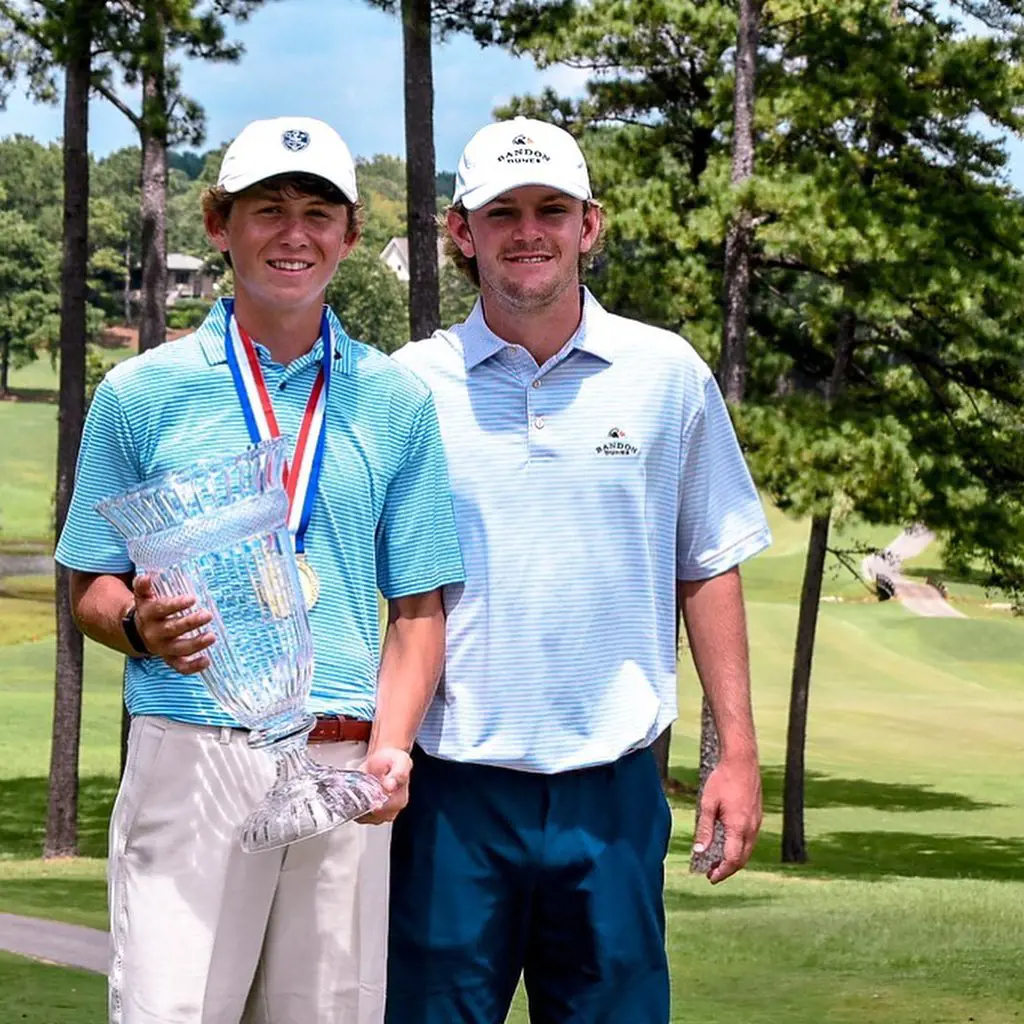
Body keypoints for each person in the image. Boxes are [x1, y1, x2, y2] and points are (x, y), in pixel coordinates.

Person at [55, 116, 464, 1024]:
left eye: (318, 212)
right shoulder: (141, 392)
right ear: (218, 223)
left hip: (343, 761)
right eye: (267, 208)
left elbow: (418, 607)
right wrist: (136, 628)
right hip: (191, 755)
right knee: (172, 1011)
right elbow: (91, 585)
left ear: (350, 235)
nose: (294, 233)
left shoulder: (397, 402)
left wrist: (392, 750)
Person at [387, 117, 771, 1024]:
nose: (530, 231)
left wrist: (738, 753)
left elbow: (708, 563)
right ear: (460, 232)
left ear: (588, 225)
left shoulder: (665, 372)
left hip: (613, 788)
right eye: (504, 211)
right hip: (450, 791)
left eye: (551, 209)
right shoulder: (408, 384)